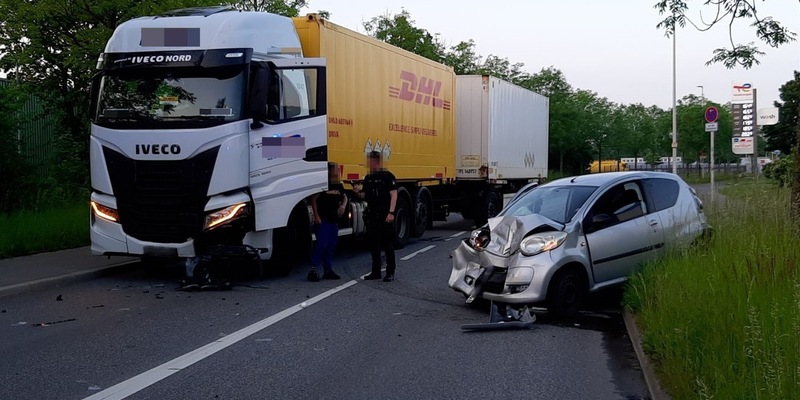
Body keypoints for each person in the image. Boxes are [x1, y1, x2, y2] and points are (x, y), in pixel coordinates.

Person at [357, 151, 398, 282]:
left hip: (385, 214)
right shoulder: (368, 178)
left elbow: (394, 195)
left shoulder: (388, 176)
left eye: (370, 161)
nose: (368, 163)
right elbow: (365, 195)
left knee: (387, 244)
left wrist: (391, 213)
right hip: (372, 215)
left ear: (377, 161)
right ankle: (376, 272)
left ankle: (390, 272)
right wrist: (358, 193)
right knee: (374, 244)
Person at [307, 163, 348, 282]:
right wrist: (316, 216)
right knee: (321, 245)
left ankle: (328, 270)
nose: (337, 172)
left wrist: (343, 206)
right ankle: (313, 269)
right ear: (329, 171)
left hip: (333, 220)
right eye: (335, 169)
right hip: (323, 219)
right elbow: (313, 199)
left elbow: (345, 197)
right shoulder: (323, 184)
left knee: (331, 246)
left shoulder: (338, 185)